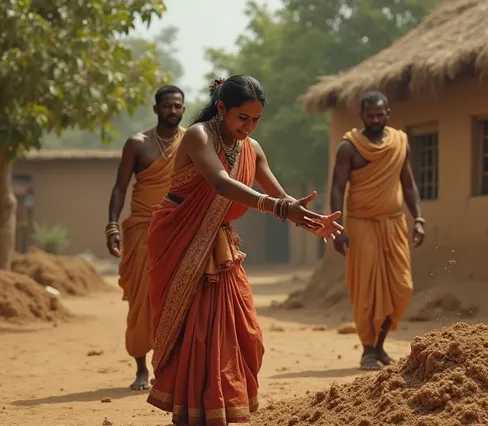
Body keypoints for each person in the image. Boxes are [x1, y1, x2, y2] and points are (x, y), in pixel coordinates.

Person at [145, 75, 342, 425]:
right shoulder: (198, 136)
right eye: (242, 119)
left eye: (255, 120)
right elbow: (221, 183)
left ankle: (220, 407)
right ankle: (193, 412)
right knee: (196, 330)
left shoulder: (252, 148)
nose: (249, 127)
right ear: (221, 109)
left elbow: (283, 198)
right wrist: (280, 208)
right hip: (179, 236)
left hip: (218, 242)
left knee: (244, 331)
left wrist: (312, 221)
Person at [330, 91, 425, 371]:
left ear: (388, 113)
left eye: (379, 114)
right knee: (367, 289)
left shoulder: (400, 142)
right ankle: (368, 350)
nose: (374, 119)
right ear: (362, 116)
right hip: (361, 225)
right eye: (369, 115)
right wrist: (337, 229)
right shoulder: (349, 147)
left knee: (402, 287)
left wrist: (419, 219)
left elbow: (408, 184)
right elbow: (337, 187)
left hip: (395, 223)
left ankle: (381, 345)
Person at [105, 85, 187, 390]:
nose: (173, 111)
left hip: (178, 228)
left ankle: (172, 366)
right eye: (167, 106)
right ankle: (141, 369)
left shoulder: (191, 142)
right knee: (141, 298)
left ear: (183, 108)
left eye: (178, 106)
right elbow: (119, 187)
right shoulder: (137, 144)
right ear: (156, 109)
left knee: (178, 296)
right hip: (141, 228)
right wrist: (112, 225)